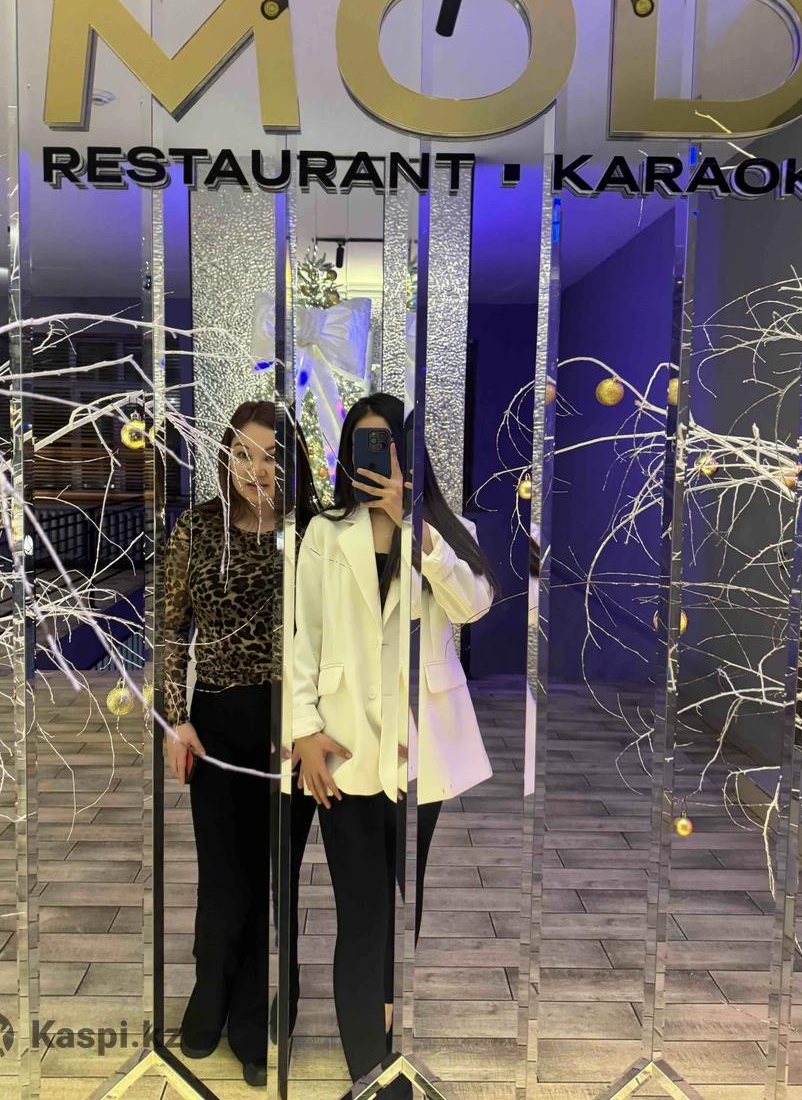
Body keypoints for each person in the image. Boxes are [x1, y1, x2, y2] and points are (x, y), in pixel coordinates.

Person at [292, 393, 498, 1098]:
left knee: (402, 904)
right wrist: (302, 731)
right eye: (364, 444)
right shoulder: (325, 534)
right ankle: (370, 1071)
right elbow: (303, 637)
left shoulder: (445, 532)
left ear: (410, 458)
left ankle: (387, 1026)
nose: (375, 459)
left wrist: (417, 530)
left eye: (388, 446)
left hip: (420, 751)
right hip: (344, 748)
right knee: (362, 908)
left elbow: (472, 607)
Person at [163, 400, 319, 1086]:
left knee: (274, 874)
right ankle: (212, 990)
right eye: (243, 455)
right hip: (218, 718)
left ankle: (260, 1017)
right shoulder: (197, 528)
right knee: (224, 872)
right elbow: (170, 630)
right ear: (226, 457)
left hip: (292, 724)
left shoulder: (310, 534)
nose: (256, 470)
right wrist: (176, 719)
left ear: (292, 464)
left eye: (271, 457)